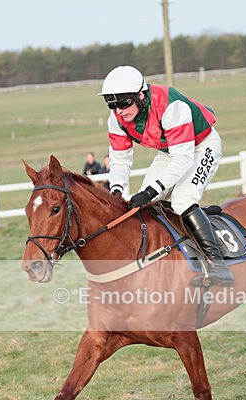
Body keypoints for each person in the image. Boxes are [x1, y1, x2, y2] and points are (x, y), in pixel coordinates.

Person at [99, 65, 233, 286]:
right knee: (142, 206)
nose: (119, 110)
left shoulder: (171, 106)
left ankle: (218, 265)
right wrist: (116, 190)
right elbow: (120, 159)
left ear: (140, 96)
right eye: (112, 104)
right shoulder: (116, 119)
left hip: (200, 146)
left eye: (123, 103)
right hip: (170, 151)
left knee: (183, 199)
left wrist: (151, 190)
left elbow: (184, 159)